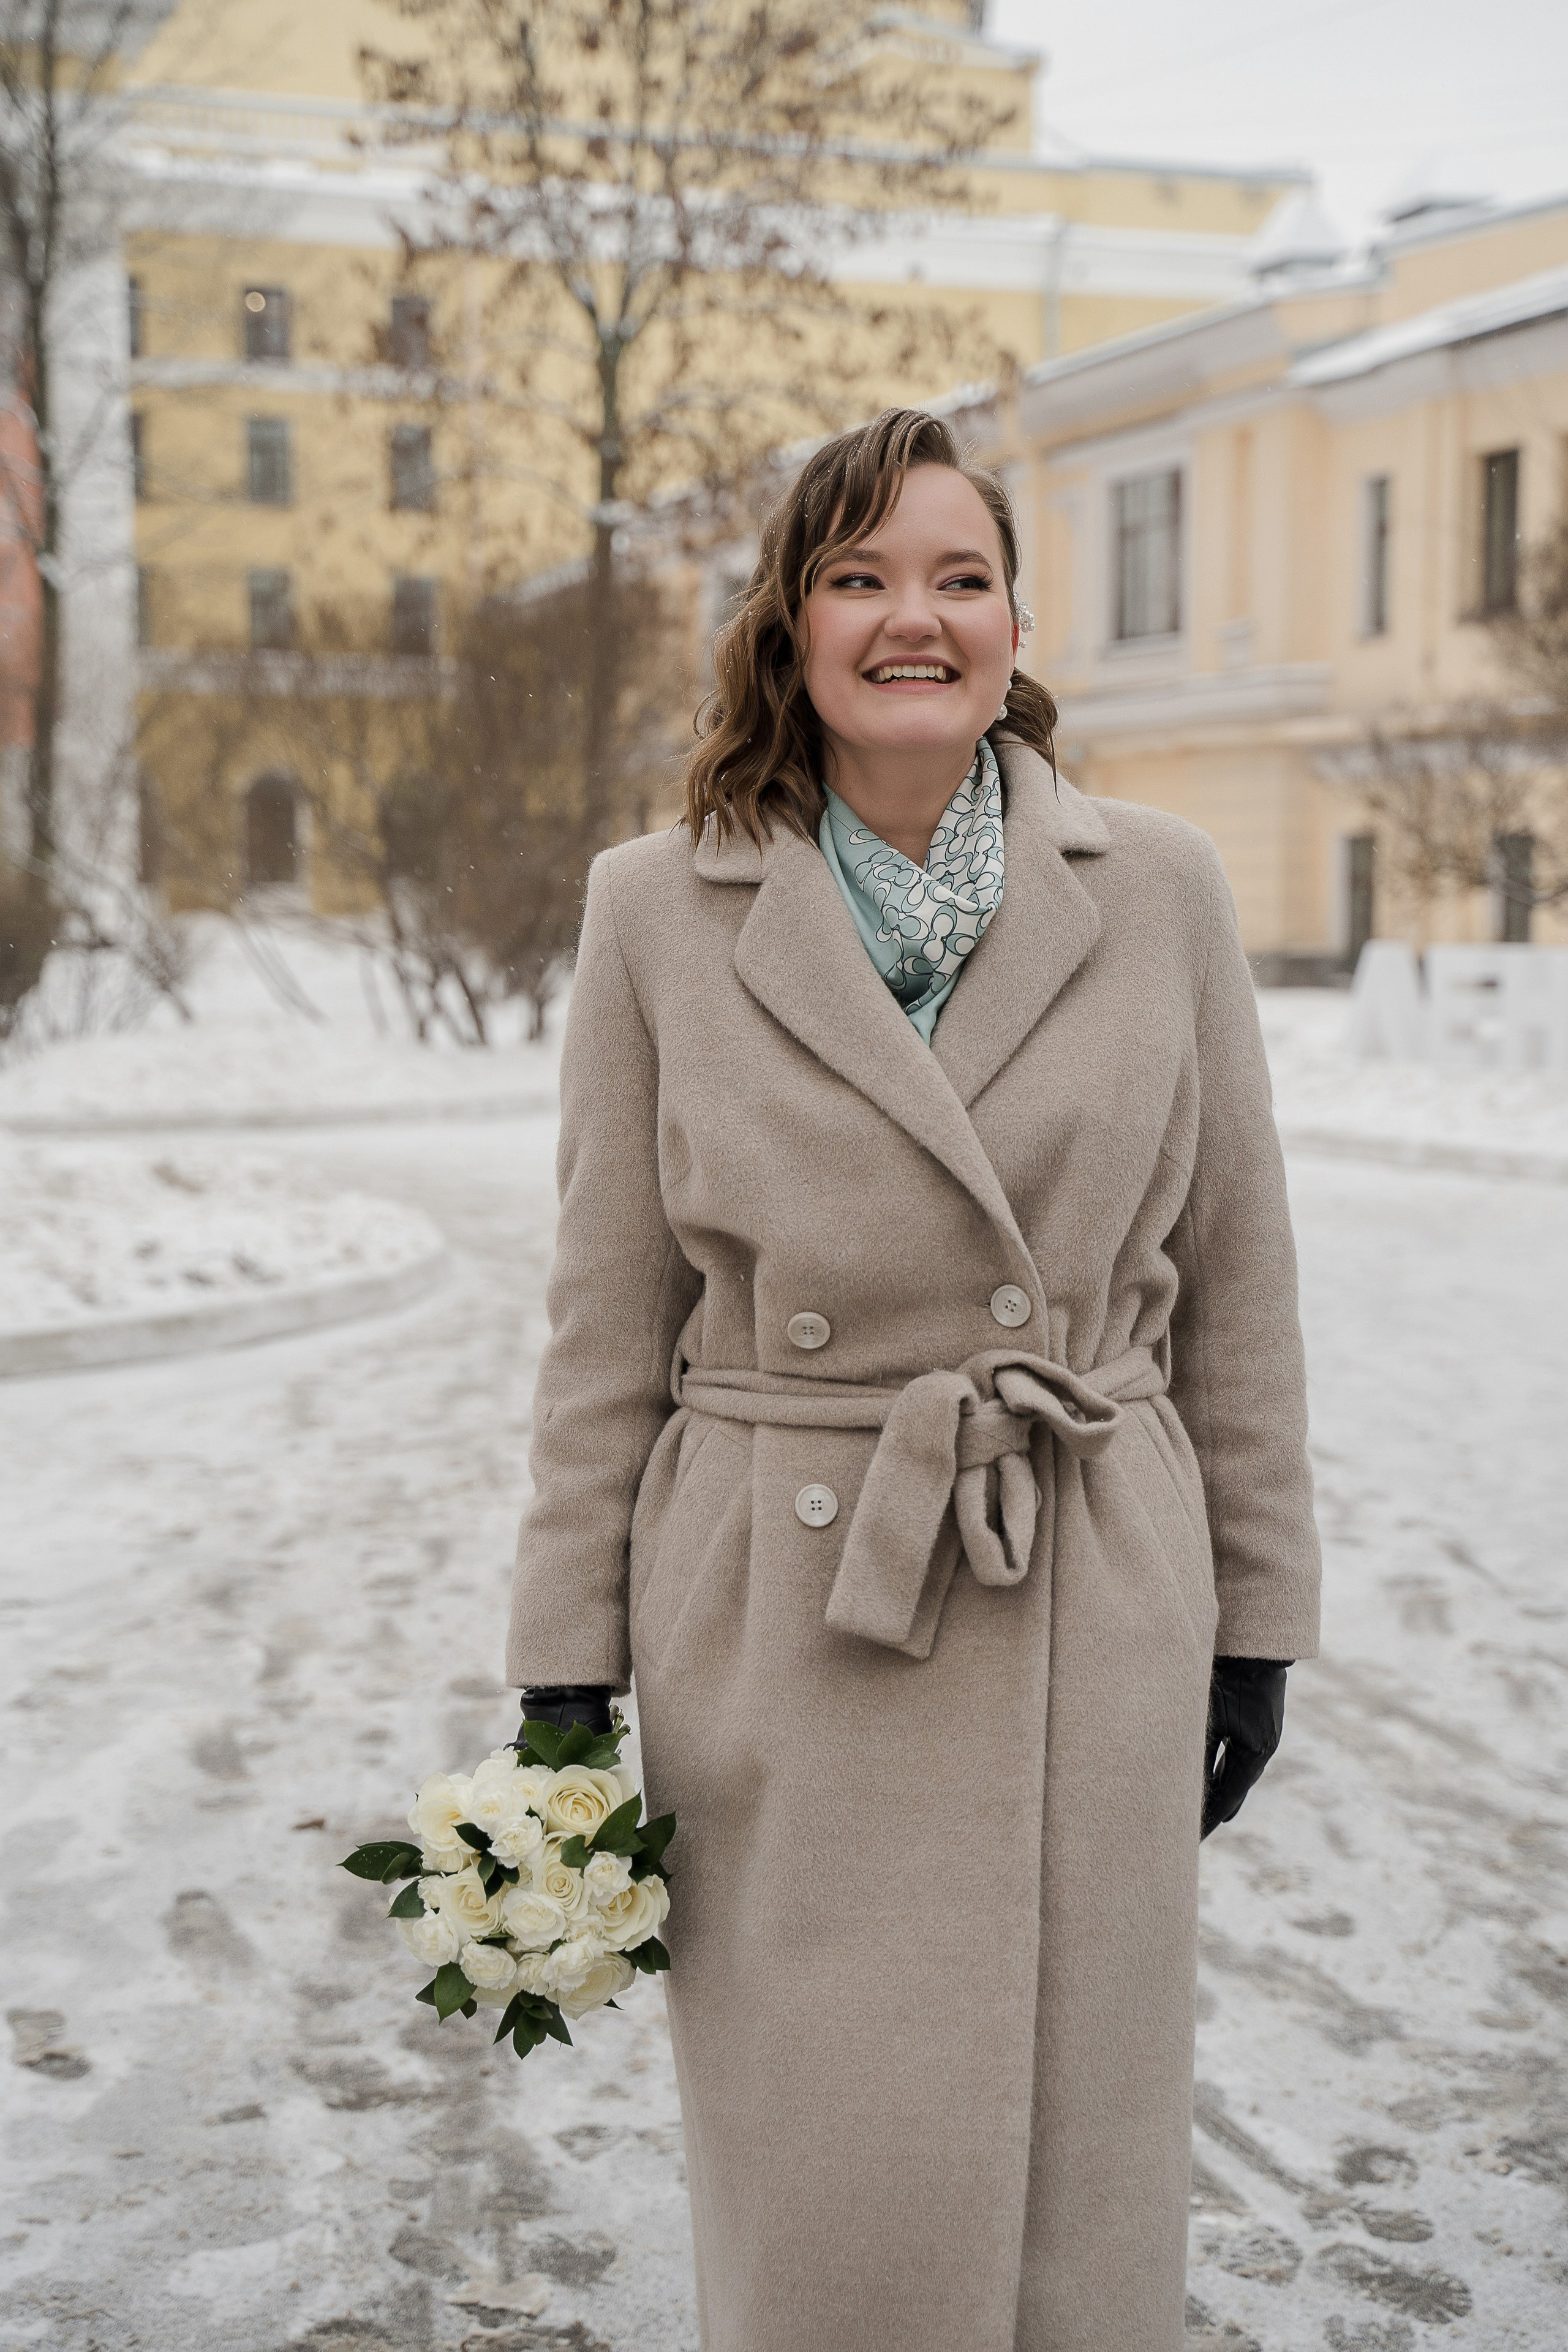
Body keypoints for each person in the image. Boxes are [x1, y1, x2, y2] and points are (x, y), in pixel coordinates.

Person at [508, 407, 1321, 2352]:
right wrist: (563, 1668)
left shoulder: (1166, 890)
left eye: (959, 577)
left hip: (1087, 1588)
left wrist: (1261, 1621)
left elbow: (1243, 1288)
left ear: (1015, 618)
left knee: (1079, 2171)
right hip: (788, 1613)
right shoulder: (657, 907)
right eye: (861, 578)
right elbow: (603, 1319)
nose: (913, 621)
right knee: (824, 2174)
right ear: (790, 625)